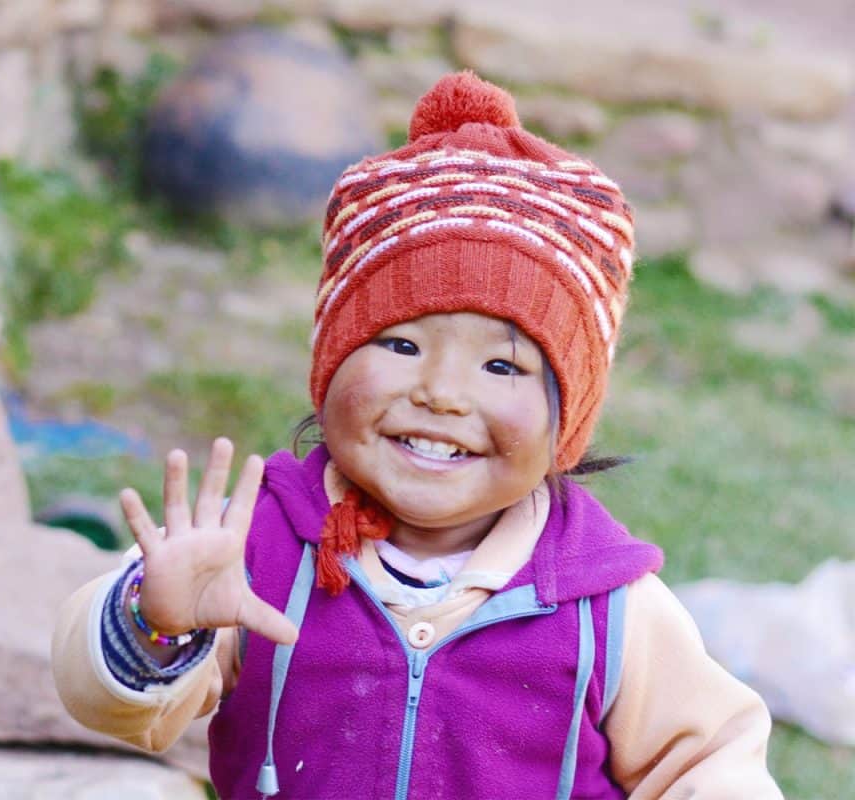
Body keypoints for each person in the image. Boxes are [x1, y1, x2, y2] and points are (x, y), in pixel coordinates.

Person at [51, 71, 782, 799]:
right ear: (330, 364)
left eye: (503, 364)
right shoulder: (257, 548)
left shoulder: (605, 606)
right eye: (401, 345)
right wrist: (153, 622)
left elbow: (713, 762)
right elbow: (106, 702)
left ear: (568, 421)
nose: (440, 392)